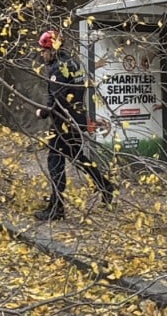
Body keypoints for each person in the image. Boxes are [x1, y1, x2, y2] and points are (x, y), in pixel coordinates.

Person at [33, 29, 114, 221]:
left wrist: (41, 113)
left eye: (44, 51)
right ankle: (106, 186)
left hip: (63, 123)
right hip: (77, 120)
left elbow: (58, 101)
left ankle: (57, 208)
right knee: (78, 156)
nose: (42, 55)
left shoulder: (57, 69)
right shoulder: (74, 63)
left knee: (55, 162)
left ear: (52, 49)